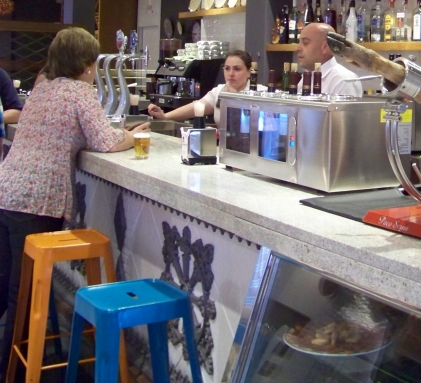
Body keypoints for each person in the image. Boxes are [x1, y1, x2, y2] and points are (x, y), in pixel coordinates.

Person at [0, 28, 149, 379]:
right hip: (37, 201)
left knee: (6, 285)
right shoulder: (80, 92)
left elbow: (65, 131)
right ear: (86, 64)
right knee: (23, 296)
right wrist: (131, 136)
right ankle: (13, 373)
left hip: (7, 190)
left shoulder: (42, 87)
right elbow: (105, 141)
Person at [148, 50, 252, 125]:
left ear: (249, 72)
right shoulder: (219, 91)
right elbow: (196, 107)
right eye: (227, 68)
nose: (231, 74)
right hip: (223, 150)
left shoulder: (260, 93)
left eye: (237, 69)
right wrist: (165, 116)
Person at [297, 23, 362, 97]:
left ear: (325, 47)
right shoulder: (306, 78)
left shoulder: (344, 81)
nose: (298, 48)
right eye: (299, 42)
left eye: (305, 42)